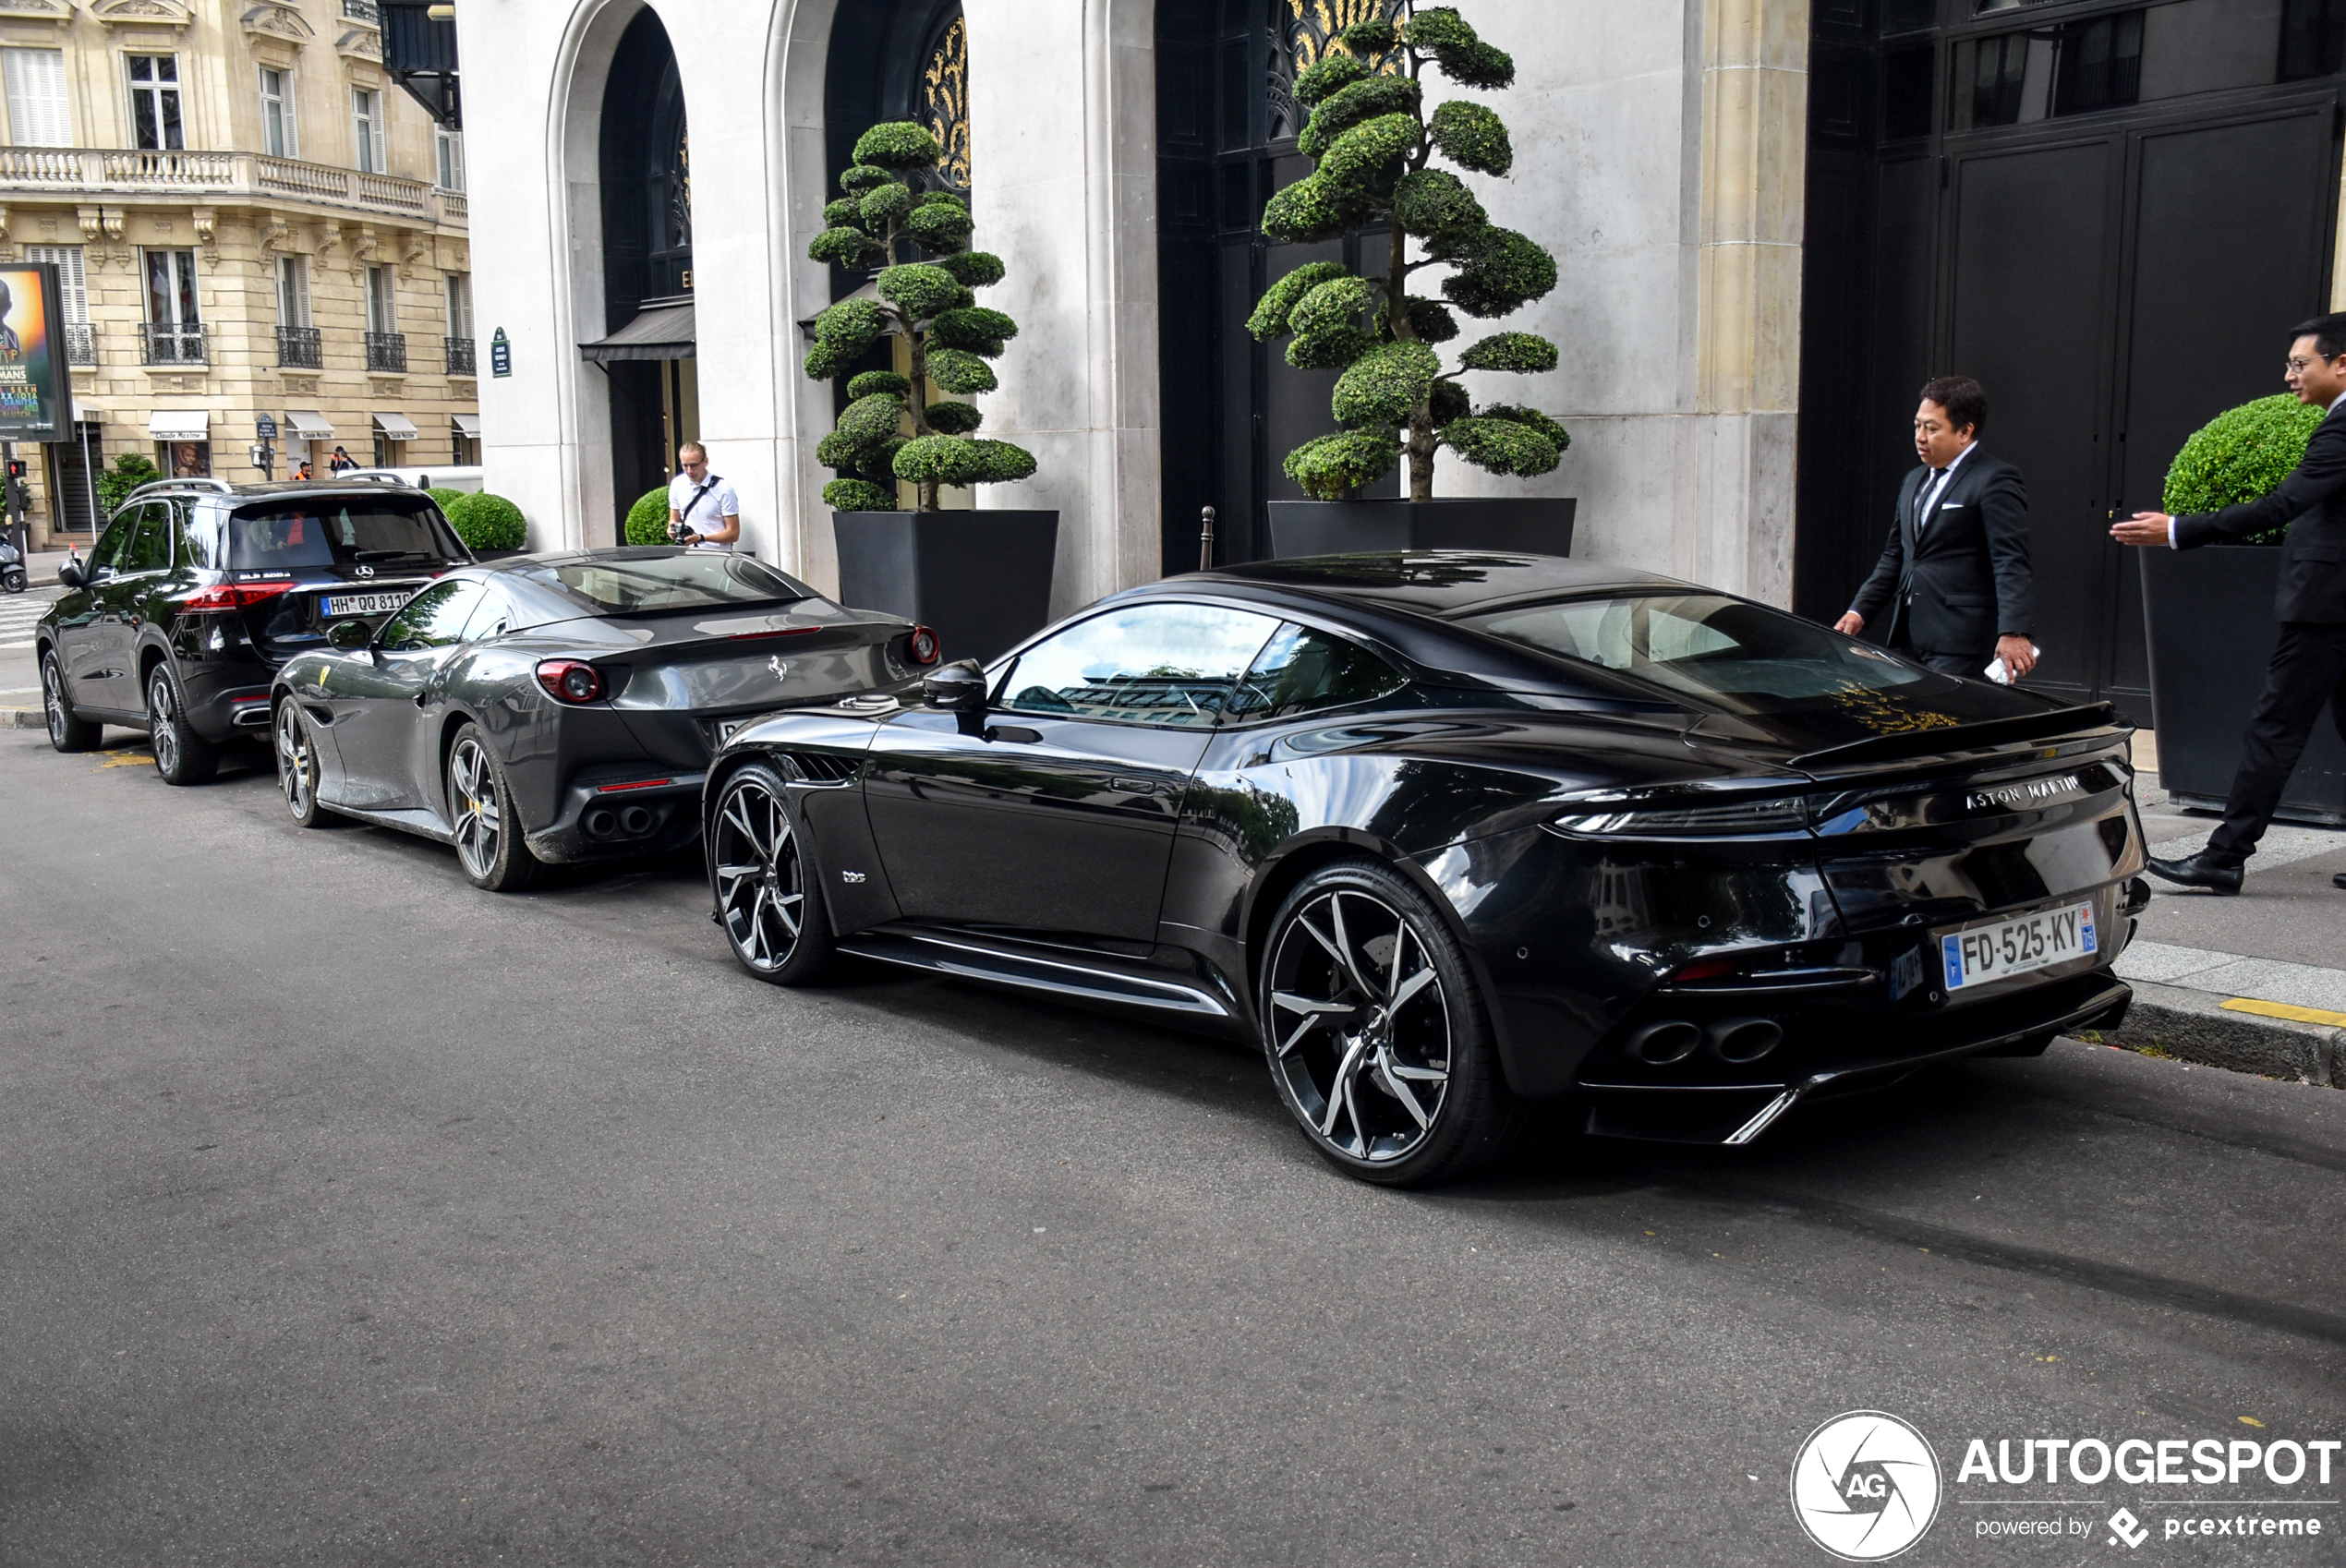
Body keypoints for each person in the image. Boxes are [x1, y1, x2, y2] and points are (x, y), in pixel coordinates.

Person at [2113, 312, 2346, 897]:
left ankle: (2224, 856)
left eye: (2301, 363)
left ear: (2341, 364)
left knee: (2275, 728)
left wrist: (2178, 530)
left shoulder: (2341, 430)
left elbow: (2281, 505)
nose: (2289, 375)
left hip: (2327, 606)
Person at [1836, 376, 2038, 681]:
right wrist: (1860, 611)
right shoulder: (1914, 480)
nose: (1920, 436)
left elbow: (2010, 560)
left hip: (1961, 641)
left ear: (1965, 431)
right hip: (1908, 636)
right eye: (1917, 426)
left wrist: (2014, 631)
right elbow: (1896, 555)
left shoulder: (1994, 479)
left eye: (1932, 428)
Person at [667, 441, 740, 550]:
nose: (689, 471)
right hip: (689, 554)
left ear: (705, 461)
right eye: (685, 466)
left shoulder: (724, 489)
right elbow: (674, 519)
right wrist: (672, 529)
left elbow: (733, 534)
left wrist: (701, 538)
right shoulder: (677, 484)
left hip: (717, 556)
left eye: (694, 465)